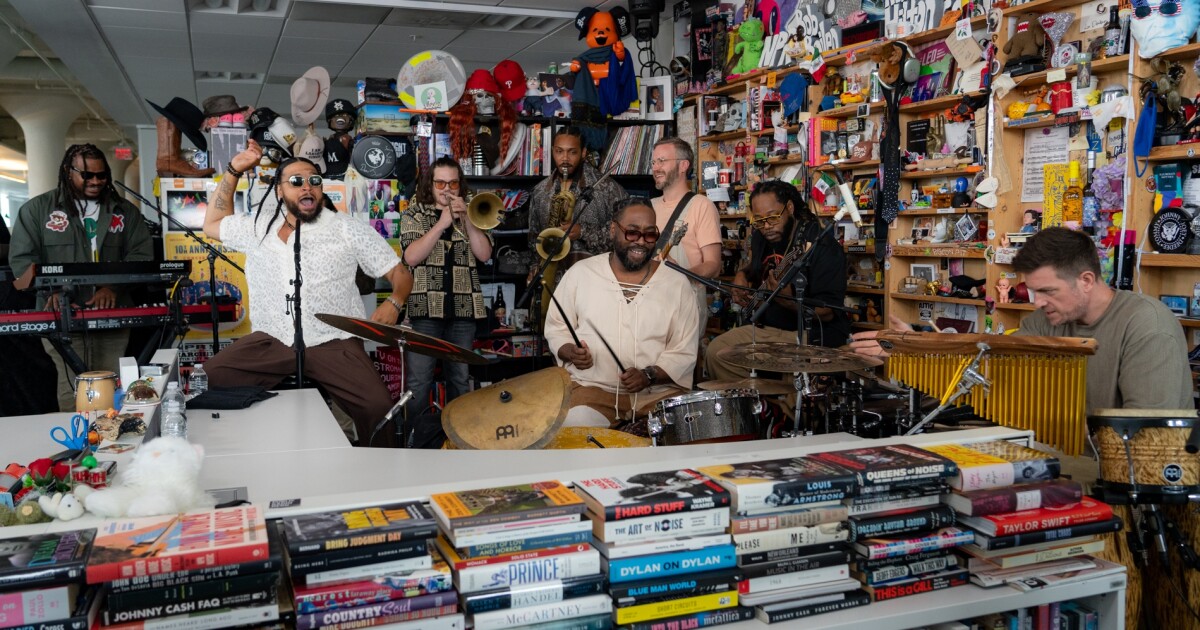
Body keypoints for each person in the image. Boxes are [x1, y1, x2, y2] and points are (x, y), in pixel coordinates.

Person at [201, 140, 413, 447]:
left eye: (314, 181)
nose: (307, 188)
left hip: (333, 339)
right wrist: (235, 169)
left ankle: (383, 478)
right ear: (279, 191)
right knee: (208, 379)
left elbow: (400, 273)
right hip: (272, 338)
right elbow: (213, 224)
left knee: (379, 409)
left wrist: (395, 303)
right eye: (297, 182)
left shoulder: (345, 228)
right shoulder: (257, 227)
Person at [850, 227, 1193, 412]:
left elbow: (1143, 429)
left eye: (1047, 291)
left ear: (1086, 280)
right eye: (1032, 290)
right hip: (1065, 461)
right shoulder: (1048, 319)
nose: (1037, 301)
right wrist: (914, 350)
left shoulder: (1147, 326)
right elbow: (991, 368)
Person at [9, 144, 154, 411]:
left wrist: (110, 286)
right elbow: (22, 260)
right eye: (87, 175)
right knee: (72, 387)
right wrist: (52, 291)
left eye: (102, 175)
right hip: (59, 314)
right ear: (68, 171)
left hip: (112, 314)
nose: (96, 181)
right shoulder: (37, 210)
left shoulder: (125, 212)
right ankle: (76, 445)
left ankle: (111, 442)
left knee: (110, 382)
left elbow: (142, 254)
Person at [544, 198, 701, 430]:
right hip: (594, 391)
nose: (641, 241)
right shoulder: (581, 274)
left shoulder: (677, 284)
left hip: (656, 396)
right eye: (632, 232)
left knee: (690, 435)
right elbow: (557, 328)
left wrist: (648, 375)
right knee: (574, 430)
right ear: (613, 230)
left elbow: (684, 351)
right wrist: (571, 352)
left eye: (650, 234)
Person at [706, 180, 849, 381]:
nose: (766, 226)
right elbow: (753, 268)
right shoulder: (760, 237)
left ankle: (775, 405)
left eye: (773, 217)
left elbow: (828, 313)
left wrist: (789, 302)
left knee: (791, 374)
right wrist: (742, 276)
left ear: (789, 208)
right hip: (766, 329)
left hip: (810, 334)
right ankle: (761, 406)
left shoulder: (821, 246)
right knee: (716, 352)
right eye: (759, 220)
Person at [399, 157, 492, 445]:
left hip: (463, 310)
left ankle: (460, 442)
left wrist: (467, 220)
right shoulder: (414, 214)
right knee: (418, 383)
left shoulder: (474, 214)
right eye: (440, 183)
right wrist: (442, 223)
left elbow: (485, 255)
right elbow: (411, 257)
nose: (447, 189)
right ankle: (415, 443)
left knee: (459, 380)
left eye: (453, 183)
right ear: (431, 184)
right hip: (425, 309)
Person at [528, 126, 628, 327]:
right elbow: (534, 240)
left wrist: (583, 232)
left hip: (595, 286)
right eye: (559, 151)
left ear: (583, 153)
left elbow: (625, 238)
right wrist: (534, 269)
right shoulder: (540, 192)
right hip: (553, 283)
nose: (565, 159)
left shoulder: (609, 189)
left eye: (572, 152)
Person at [649, 137, 722, 317]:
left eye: (662, 161)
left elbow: (713, 265)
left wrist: (681, 275)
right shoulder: (648, 207)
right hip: (649, 305)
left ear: (683, 166)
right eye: (653, 162)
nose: (656, 168)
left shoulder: (701, 205)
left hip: (684, 307)